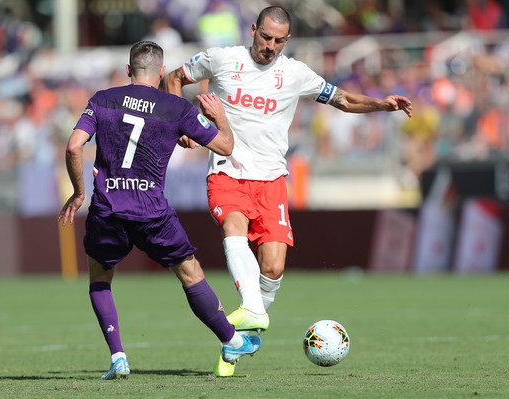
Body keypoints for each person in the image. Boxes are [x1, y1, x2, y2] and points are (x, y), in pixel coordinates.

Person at [164, 6, 412, 377]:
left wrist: (381, 104)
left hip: (272, 180)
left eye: (279, 41)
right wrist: (182, 124)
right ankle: (252, 309)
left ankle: (240, 339)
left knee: (274, 266)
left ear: (288, 40)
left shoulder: (294, 74)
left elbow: (343, 99)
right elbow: (172, 78)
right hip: (227, 170)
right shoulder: (221, 59)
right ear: (253, 30)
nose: (271, 46)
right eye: (266, 37)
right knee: (234, 227)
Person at [58, 41, 260, 380]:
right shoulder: (175, 107)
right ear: (161, 72)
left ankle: (118, 356)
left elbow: (74, 145)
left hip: (107, 209)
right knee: (190, 273)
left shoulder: (103, 99)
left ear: (128, 70)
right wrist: (220, 119)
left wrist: (79, 193)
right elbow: (224, 146)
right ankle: (231, 339)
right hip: (151, 211)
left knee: (100, 279)